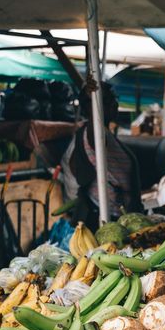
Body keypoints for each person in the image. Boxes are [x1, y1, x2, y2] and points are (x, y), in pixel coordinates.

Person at [61, 79, 141, 228]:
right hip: (105, 221)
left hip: (125, 221)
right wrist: (90, 98)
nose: (115, 104)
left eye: (114, 99)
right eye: (108, 100)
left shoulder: (107, 135)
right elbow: (94, 123)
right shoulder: (94, 135)